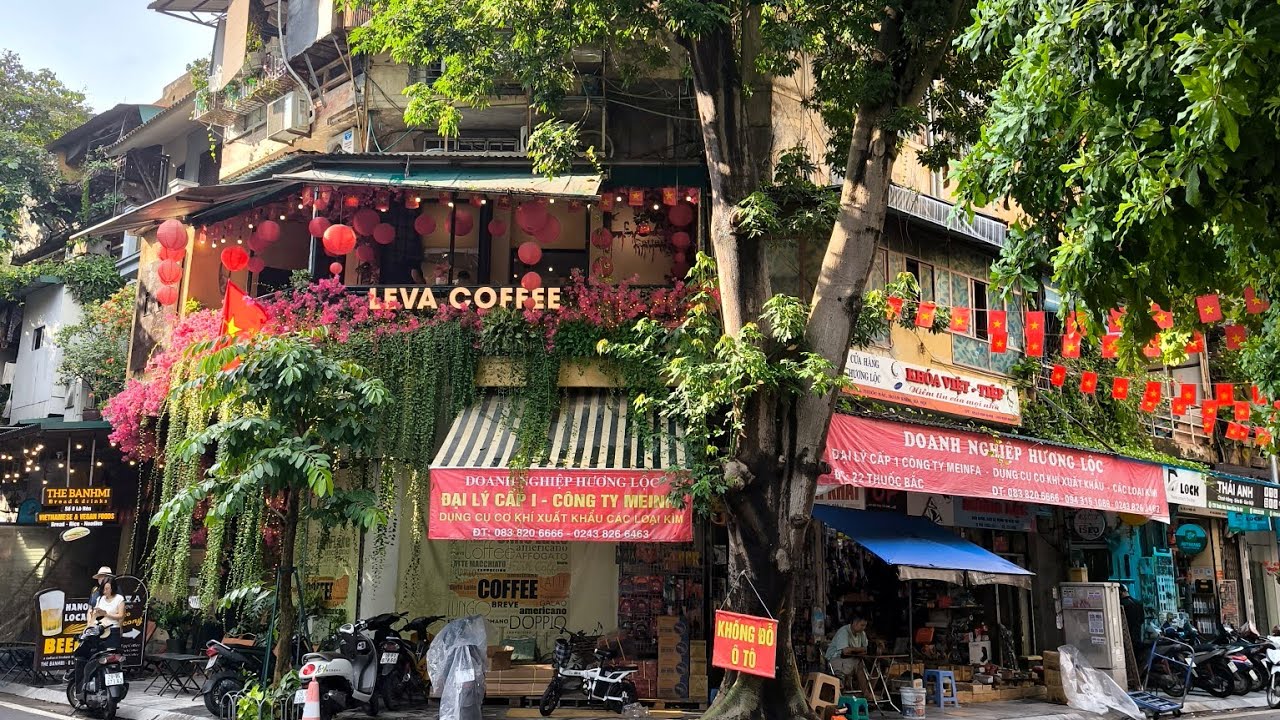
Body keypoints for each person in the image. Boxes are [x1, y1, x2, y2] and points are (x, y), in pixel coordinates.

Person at [826, 616, 873, 697]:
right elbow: (845, 651)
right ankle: (866, 693)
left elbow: (866, 649)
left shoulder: (862, 633)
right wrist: (860, 649)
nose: (863, 628)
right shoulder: (844, 632)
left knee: (870, 665)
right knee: (859, 665)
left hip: (850, 659)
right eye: (862, 625)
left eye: (865, 625)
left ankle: (866, 693)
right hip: (836, 659)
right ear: (855, 623)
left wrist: (856, 649)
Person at [1120, 585, 1145, 650]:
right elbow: (1142, 620)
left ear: (1120, 592)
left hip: (1126, 638)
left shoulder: (1120, 605)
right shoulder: (1138, 603)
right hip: (1137, 636)